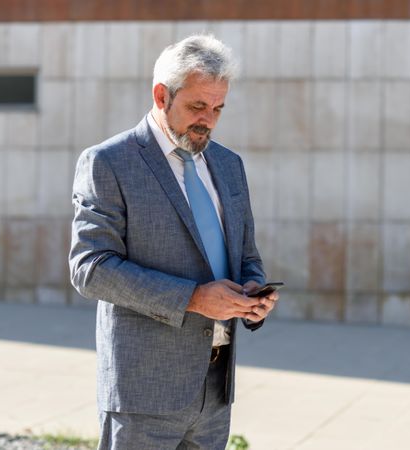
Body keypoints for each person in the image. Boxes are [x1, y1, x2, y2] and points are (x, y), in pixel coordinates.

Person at [69, 34, 278, 450]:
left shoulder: (229, 165)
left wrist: (254, 295)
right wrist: (193, 298)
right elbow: (89, 268)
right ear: (161, 95)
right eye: (197, 106)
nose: (209, 120)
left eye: (218, 108)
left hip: (215, 389)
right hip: (143, 393)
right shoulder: (109, 162)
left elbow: (246, 256)